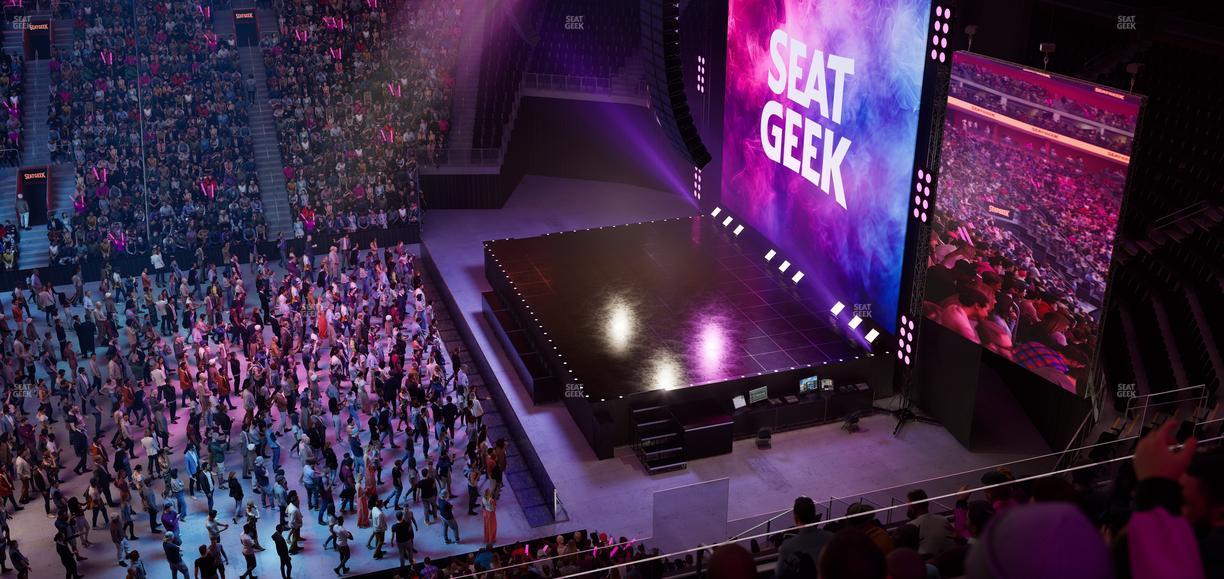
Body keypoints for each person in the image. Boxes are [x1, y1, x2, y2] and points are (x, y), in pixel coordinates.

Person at [775, 496, 833, 579]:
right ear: (814, 516)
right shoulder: (830, 537)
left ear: (795, 518)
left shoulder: (788, 545)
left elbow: (778, 573)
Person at [905, 489, 952, 558]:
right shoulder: (943, 520)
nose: (907, 506)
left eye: (909, 504)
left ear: (914, 507)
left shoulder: (910, 527)